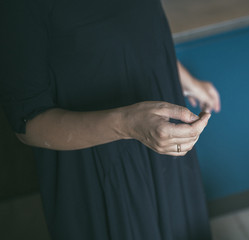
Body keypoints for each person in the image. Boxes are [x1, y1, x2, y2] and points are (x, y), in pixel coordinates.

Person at [0, 0, 220, 239]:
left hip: (166, 157)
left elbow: (136, 30)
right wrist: (126, 124)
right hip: (98, 173)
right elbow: (27, 123)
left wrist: (187, 80)